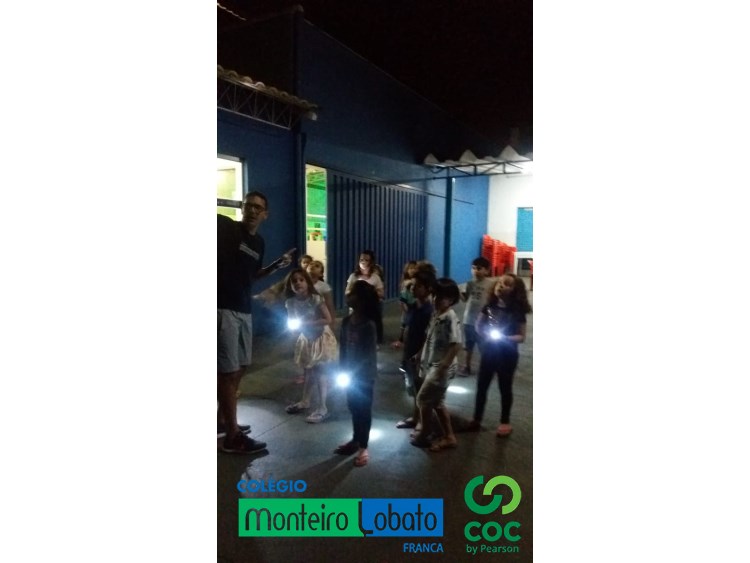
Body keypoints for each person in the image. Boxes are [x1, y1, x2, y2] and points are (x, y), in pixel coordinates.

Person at [217, 191, 294, 453]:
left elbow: (253, 275)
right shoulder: (226, 228)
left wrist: (276, 266)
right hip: (223, 308)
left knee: (241, 366)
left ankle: (222, 420)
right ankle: (232, 436)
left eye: (258, 208)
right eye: (248, 206)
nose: (252, 210)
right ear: (242, 208)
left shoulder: (258, 243)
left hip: (243, 308)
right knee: (227, 372)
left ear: (265, 214)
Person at [466, 274, 531, 437]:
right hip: (489, 352)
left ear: (515, 290)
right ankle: (476, 418)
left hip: (508, 355)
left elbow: (522, 336)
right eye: (499, 283)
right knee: (482, 386)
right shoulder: (489, 306)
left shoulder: (517, 311)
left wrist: (505, 338)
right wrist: (484, 335)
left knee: (505, 387)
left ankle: (505, 421)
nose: (501, 286)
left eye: (507, 284)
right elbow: (478, 325)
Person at [410, 278, 463, 452]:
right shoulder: (436, 314)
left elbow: (456, 344)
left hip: (441, 367)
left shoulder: (450, 317)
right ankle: (449, 436)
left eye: (441, 297)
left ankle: (425, 432)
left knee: (422, 399)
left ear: (451, 299)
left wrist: (443, 367)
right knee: (437, 402)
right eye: (435, 295)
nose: (436, 299)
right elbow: (428, 337)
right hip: (432, 363)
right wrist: (419, 354)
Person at [283, 268, 338, 423]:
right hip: (306, 338)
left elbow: (327, 319)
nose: (298, 283)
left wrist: (308, 323)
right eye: (294, 281)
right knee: (308, 370)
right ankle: (305, 400)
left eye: (301, 280)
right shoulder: (290, 302)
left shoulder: (315, 299)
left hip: (320, 338)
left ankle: (322, 407)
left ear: (307, 282)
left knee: (320, 371)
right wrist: (294, 328)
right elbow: (291, 320)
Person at [334, 280, 379, 467]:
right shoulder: (346, 322)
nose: (347, 295)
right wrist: (341, 369)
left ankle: (363, 447)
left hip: (364, 377)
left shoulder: (368, 325)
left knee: (363, 410)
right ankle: (355, 439)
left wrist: (355, 373)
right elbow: (343, 349)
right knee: (353, 407)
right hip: (349, 376)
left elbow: (368, 355)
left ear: (360, 300)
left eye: (351, 292)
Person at [395, 270, 436, 430]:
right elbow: (408, 328)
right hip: (410, 351)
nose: (413, 288)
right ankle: (416, 417)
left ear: (428, 288)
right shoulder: (414, 307)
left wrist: (420, 355)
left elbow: (428, 335)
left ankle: (422, 422)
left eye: (417, 286)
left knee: (422, 388)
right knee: (414, 387)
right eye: (412, 285)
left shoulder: (429, 310)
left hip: (420, 354)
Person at [459, 257, 493, 376]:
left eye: (479, 268)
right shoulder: (470, 283)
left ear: (487, 270)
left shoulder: (491, 284)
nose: (475, 271)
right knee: (468, 346)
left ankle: (486, 367)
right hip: (468, 319)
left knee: (484, 346)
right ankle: (466, 366)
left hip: (483, 321)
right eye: (473, 268)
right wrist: (459, 293)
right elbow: (465, 299)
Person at [344, 250, 385, 344]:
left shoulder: (375, 277)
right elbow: (347, 291)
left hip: (371, 308)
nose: (363, 262)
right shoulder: (353, 276)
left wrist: (370, 290)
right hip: (356, 308)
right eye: (361, 259)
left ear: (371, 262)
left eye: (366, 260)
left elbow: (382, 293)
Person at [391, 260, 418, 349]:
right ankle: (401, 338)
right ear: (406, 270)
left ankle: (410, 338)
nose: (412, 270)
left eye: (414, 268)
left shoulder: (418, 281)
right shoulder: (406, 282)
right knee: (404, 321)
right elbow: (403, 294)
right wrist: (404, 306)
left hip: (415, 304)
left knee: (413, 322)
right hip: (407, 303)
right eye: (410, 268)